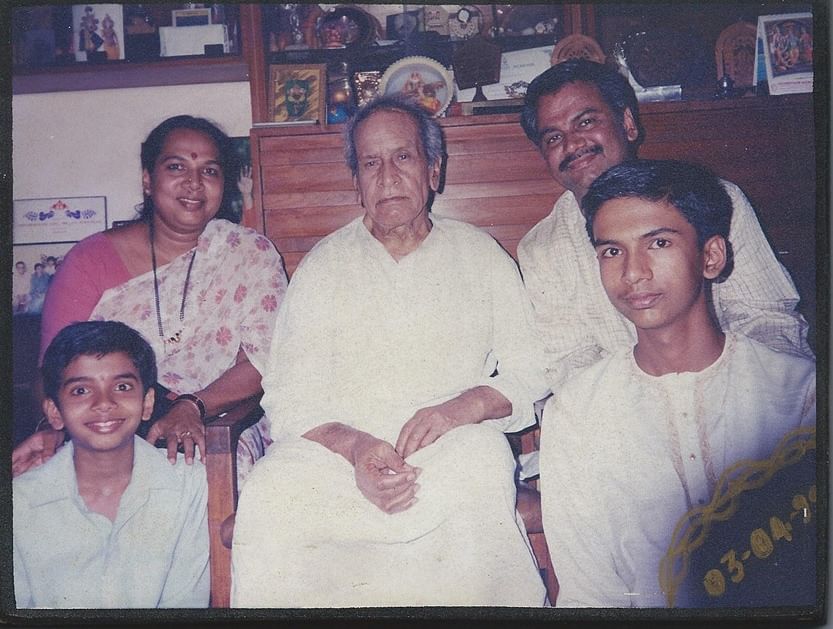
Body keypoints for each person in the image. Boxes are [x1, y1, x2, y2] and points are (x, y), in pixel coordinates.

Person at [231, 95, 549, 607]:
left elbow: (532, 370)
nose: (386, 176)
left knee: (482, 462)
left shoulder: (479, 255)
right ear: (355, 182)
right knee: (272, 489)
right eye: (370, 163)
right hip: (339, 454)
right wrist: (356, 448)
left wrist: (458, 410)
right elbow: (289, 397)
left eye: (402, 157)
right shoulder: (324, 266)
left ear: (434, 170)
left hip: (450, 447)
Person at [538, 160, 816, 607]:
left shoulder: (798, 394)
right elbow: (591, 594)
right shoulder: (577, 413)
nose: (633, 273)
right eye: (612, 252)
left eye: (659, 243)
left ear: (711, 256)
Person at [12, 115, 288, 483]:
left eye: (210, 170)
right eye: (176, 166)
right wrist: (55, 428)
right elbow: (52, 373)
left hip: (221, 423)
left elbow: (263, 360)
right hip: (103, 423)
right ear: (147, 179)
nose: (193, 182)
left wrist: (194, 405)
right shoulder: (89, 261)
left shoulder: (250, 254)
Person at [517, 59, 812, 395]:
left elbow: (767, 320)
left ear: (627, 123)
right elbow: (571, 360)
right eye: (553, 138)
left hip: (736, 395)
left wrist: (733, 400)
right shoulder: (542, 248)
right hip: (626, 414)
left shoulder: (716, 200)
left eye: (585, 122)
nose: (572, 145)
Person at [14, 320, 209, 608]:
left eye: (122, 386)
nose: (103, 403)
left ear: (147, 403)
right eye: (81, 390)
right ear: (55, 412)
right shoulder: (21, 500)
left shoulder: (187, 482)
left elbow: (186, 602)